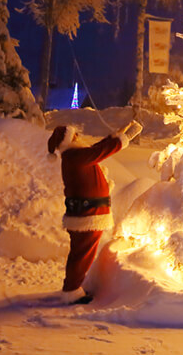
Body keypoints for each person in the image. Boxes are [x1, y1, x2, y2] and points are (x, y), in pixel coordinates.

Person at [47, 119, 143, 304]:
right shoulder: (74, 156)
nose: (79, 137)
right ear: (68, 141)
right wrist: (125, 137)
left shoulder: (76, 155)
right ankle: (72, 290)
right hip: (87, 215)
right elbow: (98, 152)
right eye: (75, 135)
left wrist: (114, 136)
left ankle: (74, 287)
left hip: (88, 213)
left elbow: (94, 149)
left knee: (83, 252)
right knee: (82, 253)